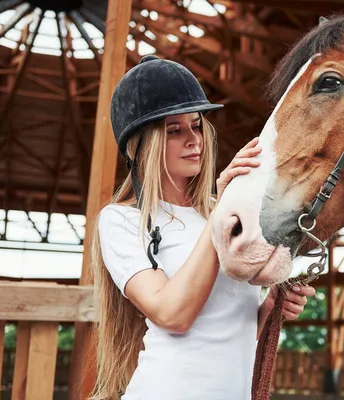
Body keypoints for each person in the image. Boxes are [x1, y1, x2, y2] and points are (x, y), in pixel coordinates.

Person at [88, 55, 316, 400]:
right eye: (174, 130)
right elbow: (172, 314)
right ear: (140, 146)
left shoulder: (218, 212)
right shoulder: (121, 221)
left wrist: (270, 307)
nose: (194, 140)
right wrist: (221, 212)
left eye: (196, 125)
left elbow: (229, 330)